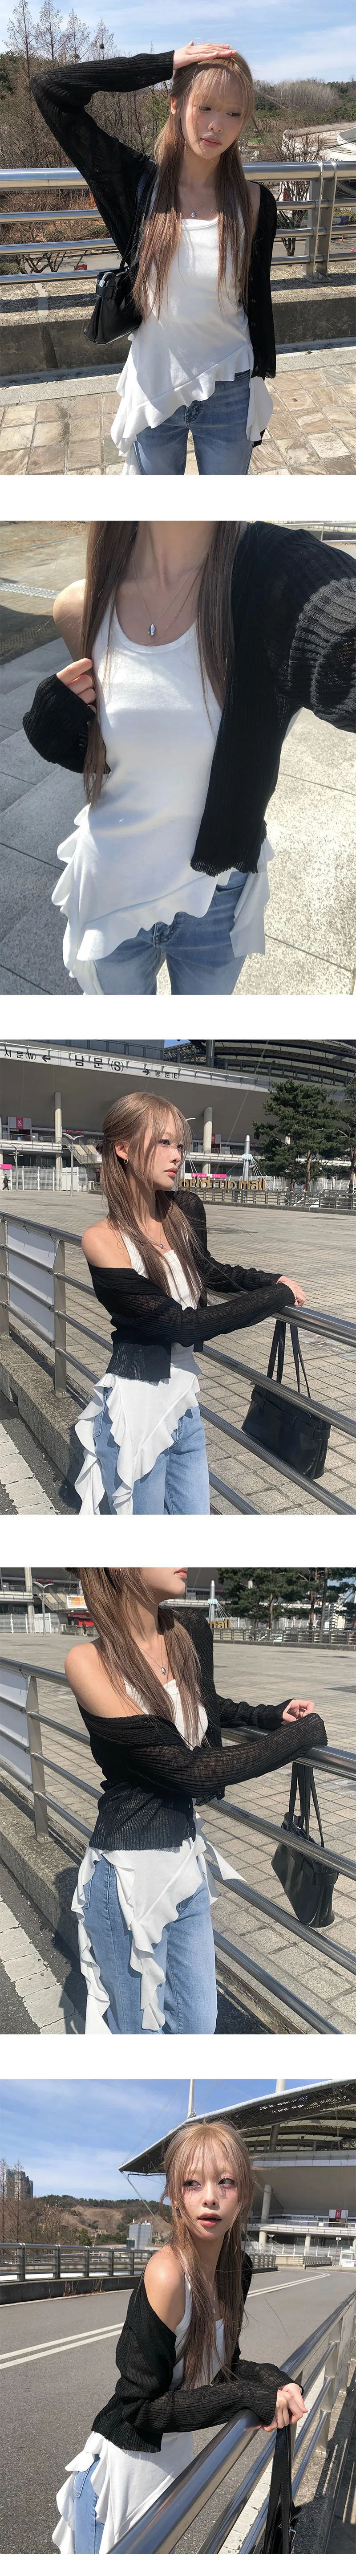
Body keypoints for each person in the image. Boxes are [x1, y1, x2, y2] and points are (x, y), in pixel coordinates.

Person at [22, 518, 356, 999]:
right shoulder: (83, 604)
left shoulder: (272, 580)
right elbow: (126, 753)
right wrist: (54, 729)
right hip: (109, 888)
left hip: (215, 900)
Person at [66, 1565, 327, 2035]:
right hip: (129, 1876)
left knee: (198, 2024)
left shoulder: (185, 1632)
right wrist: (302, 1737)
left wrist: (271, 1716)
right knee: (137, 2032)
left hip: (187, 1862)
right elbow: (186, 1770)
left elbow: (204, 1703)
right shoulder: (88, 1661)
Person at [53, 2114, 307, 2552]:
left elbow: (222, 2366)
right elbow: (139, 2408)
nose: (210, 2197)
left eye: (225, 2182)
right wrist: (246, 2397)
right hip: (118, 2481)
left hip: (166, 2474)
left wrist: (275, 2381)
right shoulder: (168, 2274)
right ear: (174, 2196)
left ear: (244, 2194)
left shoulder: (236, 2270)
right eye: (192, 2183)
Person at [31, 40, 276, 478]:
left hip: (230, 386)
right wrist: (165, 64)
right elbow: (51, 90)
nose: (217, 125)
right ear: (176, 105)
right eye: (205, 107)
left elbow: (255, 299)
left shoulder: (255, 203)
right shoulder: (137, 185)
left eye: (233, 113)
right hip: (154, 384)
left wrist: (261, 374)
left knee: (222, 514)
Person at [73, 1088, 306, 1516]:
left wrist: (271, 1280)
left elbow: (208, 1270)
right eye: (164, 1142)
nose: (177, 1155)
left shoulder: (184, 1208)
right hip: (137, 1412)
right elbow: (183, 1325)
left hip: (185, 1406)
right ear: (123, 1149)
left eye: (180, 1144)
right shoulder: (102, 1240)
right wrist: (277, 1297)